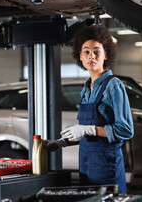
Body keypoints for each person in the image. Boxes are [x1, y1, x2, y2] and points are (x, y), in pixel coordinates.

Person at [46, 25, 134, 194]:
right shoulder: (86, 88)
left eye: (96, 51)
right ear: (80, 56)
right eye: (86, 51)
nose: (91, 56)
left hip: (106, 163)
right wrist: (63, 142)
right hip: (86, 163)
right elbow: (88, 135)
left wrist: (88, 128)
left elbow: (126, 130)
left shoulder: (113, 85)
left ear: (106, 55)